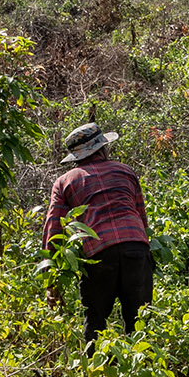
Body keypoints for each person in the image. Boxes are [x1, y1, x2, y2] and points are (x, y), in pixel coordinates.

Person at [46, 122, 154, 348]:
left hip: (98, 254)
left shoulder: (65, 181)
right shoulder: (126, 171)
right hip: (136, 247)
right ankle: (142, 372)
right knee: (140, 322)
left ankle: (98, 376)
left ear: (76, 157)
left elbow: (54, 230)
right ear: (103, 149)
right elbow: (141, 217)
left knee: (95, 320)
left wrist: (52, 280)